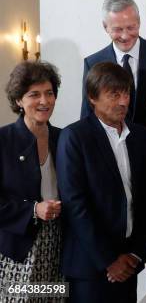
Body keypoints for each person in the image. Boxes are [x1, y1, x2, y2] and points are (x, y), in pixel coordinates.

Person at [57, 62, 146, 302]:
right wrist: (109, 260)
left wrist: (136, 253)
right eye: (114, 94)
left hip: (129, 263)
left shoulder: (141, 136)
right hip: (89, 267)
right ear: (92, 97)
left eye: (126, 93)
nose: (123, 101)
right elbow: (75, 204)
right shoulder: (74, 137)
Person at [0, 62, 63, 302]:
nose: (44, 101)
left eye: (49, 93)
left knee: (55, 298)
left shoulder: (64, 138)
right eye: (34, 95)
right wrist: (33, 209)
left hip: (57, 244)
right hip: (17, 249)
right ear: (18, 100)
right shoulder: (3, 140)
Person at [81, 0, 146, 127]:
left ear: (138, 22)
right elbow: (88, 115)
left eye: (130, 28)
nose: (125, 36)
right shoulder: (93, 63)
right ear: (105, 27)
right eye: (118, 29)